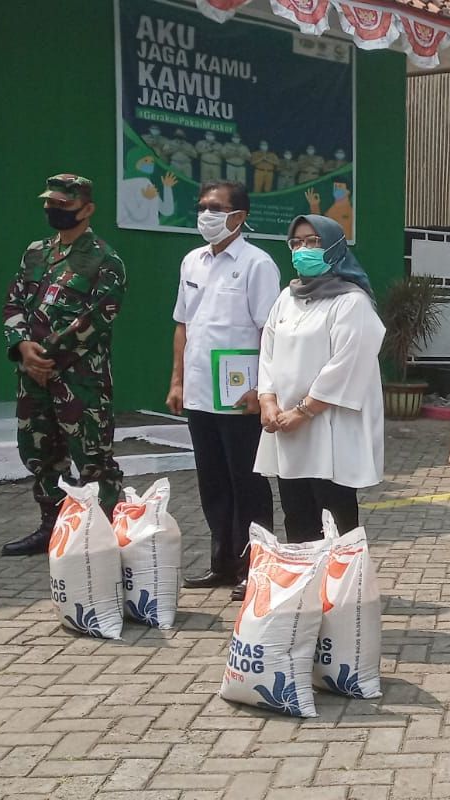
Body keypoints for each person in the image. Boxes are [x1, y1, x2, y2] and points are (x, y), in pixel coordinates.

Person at [0, 174, 127, 555]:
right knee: (40, 453)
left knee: (93, 459)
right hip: (33, 377)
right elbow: (14, 301)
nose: (54, 211)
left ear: (87, 210)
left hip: (80, 380)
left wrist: (49, 357)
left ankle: (103, 538)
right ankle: (51, 527)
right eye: (50, 204)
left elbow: (97, 318)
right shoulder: (35, 252)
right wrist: (22, 346)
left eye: (64, 206)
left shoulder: (106, 260)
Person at [169, 181, 279, 601]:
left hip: (240, 396)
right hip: (199, 392)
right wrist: (177, 381)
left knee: (246, 483)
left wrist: (261, 388)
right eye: (201, 207)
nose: (205, 214)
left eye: (215, 208)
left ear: (239, 216)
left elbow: (270, 332)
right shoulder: (192, 261)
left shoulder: (257, 264)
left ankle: (256, 566)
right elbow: (183, 324)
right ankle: (223, 563)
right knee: (212, 482)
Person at [254, 215, 383, 541]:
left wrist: (304, 411)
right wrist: (267, 399)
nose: (302, 250)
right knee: (297, 517)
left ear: (334, 248)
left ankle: (340, 590)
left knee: (335, 519)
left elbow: (348, 364)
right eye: (296, 243)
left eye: (313, 242)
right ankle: (304, 586)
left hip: (329, 428)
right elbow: (267, 350)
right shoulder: (288, 298)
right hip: (286, 426)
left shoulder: (352, 301)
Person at [117, 148, 177, 228]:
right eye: (145, 161)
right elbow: (138, 216)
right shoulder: (125, 185)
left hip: (153, 233)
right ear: (134, 161)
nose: (150, 164)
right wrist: (146, 199)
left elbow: (166, 211)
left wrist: (167, 188)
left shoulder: (147, 183)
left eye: (152, 161)